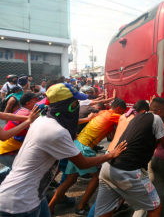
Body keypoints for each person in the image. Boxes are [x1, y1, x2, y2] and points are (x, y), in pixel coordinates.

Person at [0, 83, 127, 217]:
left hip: (35, 193)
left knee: (69, 179)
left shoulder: (43, 119)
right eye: (75, 103)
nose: (77, 105)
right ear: (66, 105)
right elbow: (83, 163)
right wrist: (111, 154)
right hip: (20, 203)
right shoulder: (56, 132)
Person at [94, 97, 164, 217]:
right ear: (160, 112)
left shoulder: (138, 116)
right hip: (127, 173)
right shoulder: (157, 118)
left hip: (108, 168)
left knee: (104, 212)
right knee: (155, 208)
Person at [49, 98, 127, 216]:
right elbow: (127, 120)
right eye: (122, 111)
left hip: (76, 144)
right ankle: (81, 207)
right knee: (96, 177)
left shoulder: (103, 112)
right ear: (118, 109)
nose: (121, 114)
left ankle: (49, 208)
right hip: (85, 148)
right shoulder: (114, 115)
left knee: (70, 179)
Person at [86, 99, 150, 217]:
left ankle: (116, 208)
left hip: (110, 154)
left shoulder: (123, 117)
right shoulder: (135, 120)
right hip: (119, 157)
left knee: (108, 196)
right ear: (143, 111)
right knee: (112, 195)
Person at [0, 92, 41, 184]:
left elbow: (6, 115)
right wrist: (28, 120)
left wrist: (27, 118)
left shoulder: (24, 112)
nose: (39, 102)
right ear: (28, 103)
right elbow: (4, 136)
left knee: (15, 171)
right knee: (25, 174)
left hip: (7, 150)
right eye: (37, 100)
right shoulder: (26, 113)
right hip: (7, 152)